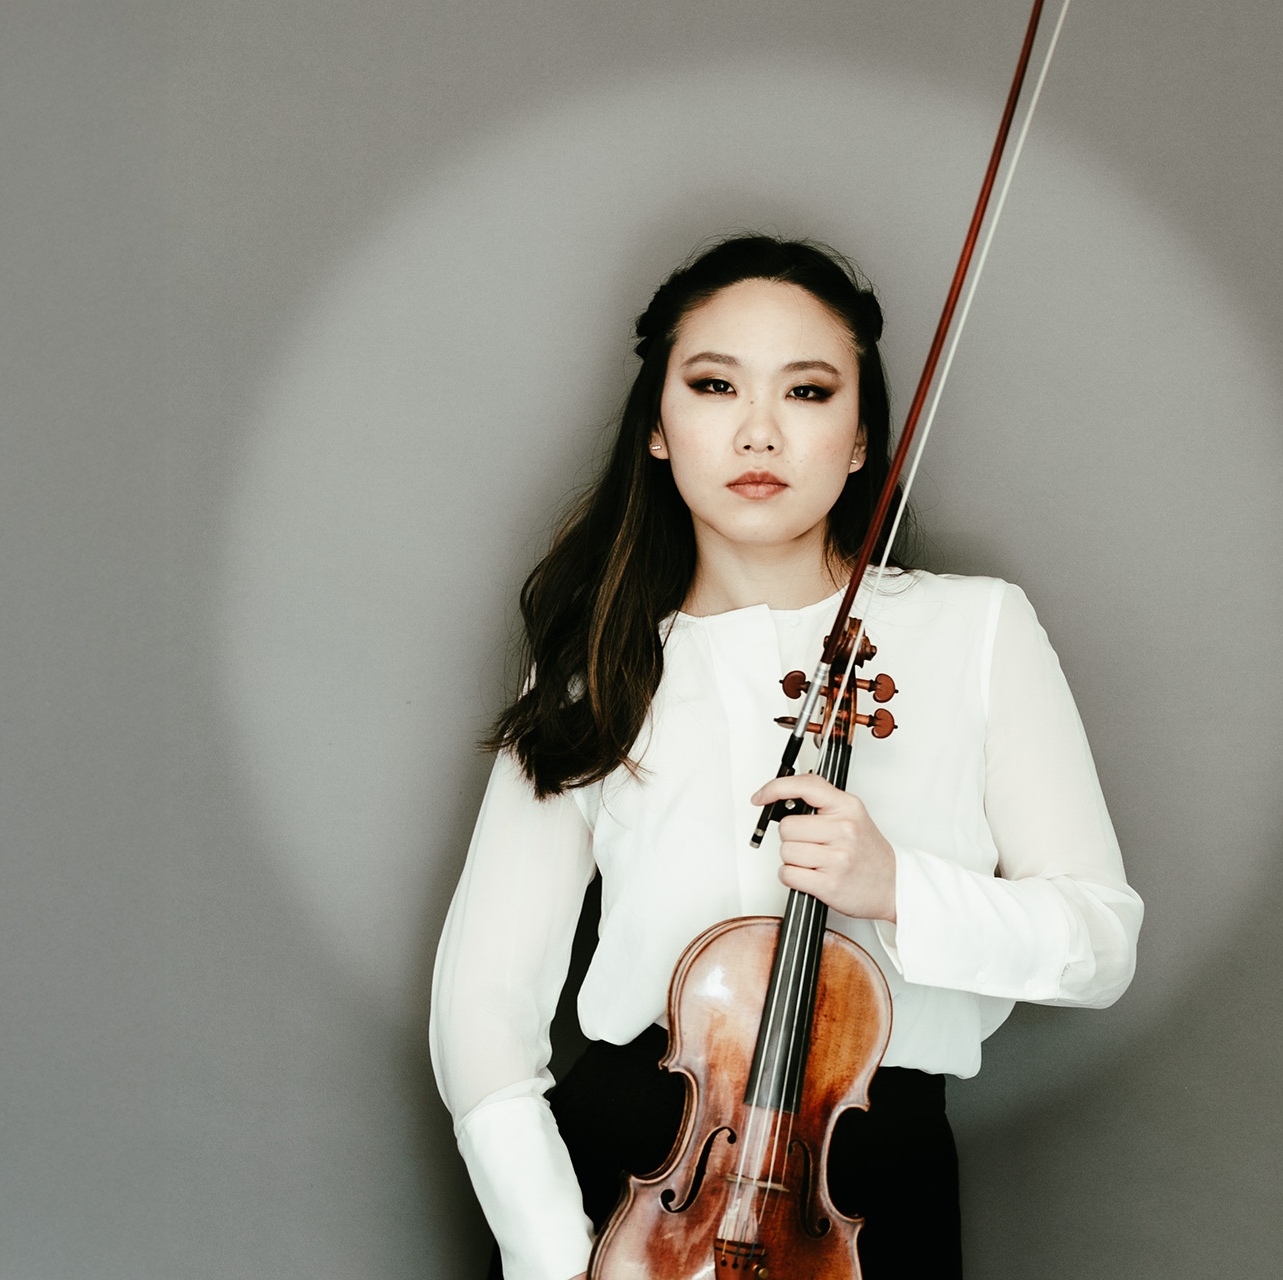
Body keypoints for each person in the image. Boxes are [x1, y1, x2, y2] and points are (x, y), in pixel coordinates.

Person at [429, 235, 1142, 1280]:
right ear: (658, 428)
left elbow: (1101, 942)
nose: (758, 430)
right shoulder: (597, 665)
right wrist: (559, 1256)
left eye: (807, 391)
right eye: (714, 385)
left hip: (868, 1187)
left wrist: (897, 887)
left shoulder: (977, 629)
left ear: (859, 441)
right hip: (635, 1173)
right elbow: (480, 1006)